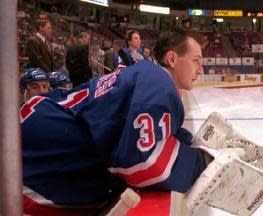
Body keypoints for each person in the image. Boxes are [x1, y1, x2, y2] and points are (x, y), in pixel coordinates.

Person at [21, 27, 207, 215]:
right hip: (37, 158)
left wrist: (193, 143)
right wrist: (204, 162)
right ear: (172, 59)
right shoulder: (159, 83)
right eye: (196, 61)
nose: (201, 69)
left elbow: (139, 132)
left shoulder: (146, 75)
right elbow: (143, 164)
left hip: (37, 133)